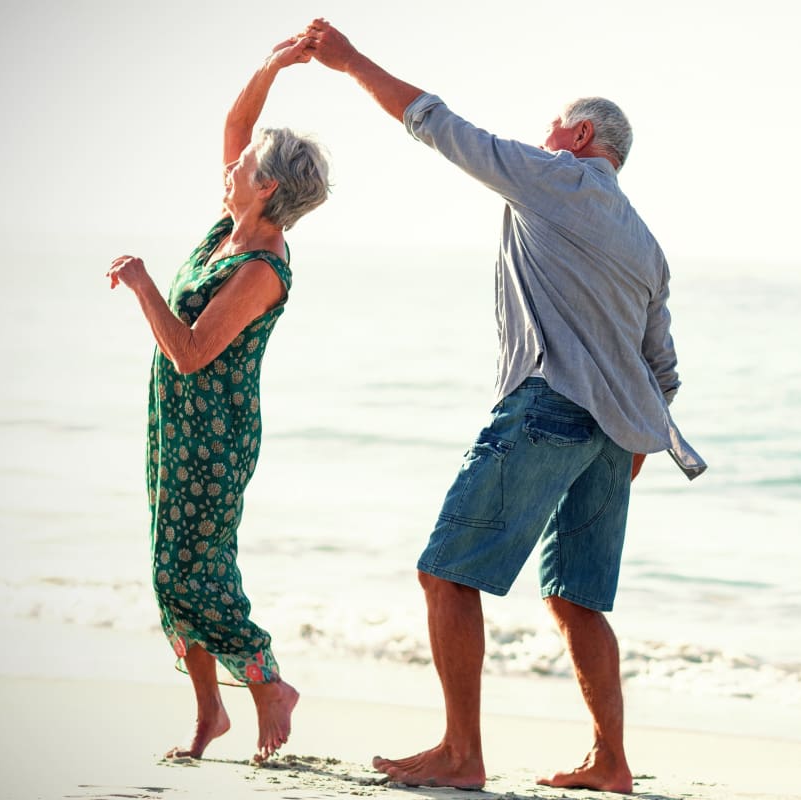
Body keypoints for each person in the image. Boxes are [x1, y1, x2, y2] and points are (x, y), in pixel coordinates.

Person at [303, 18, 705, 794]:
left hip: (548, 406)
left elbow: (438, 125)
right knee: (575, 597)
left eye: (552, 125)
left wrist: (349, 60)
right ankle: (611, 762)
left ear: (580, 134)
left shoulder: (555, 176)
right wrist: (628, 449)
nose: (542, 135)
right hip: (613, 438)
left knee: (445, 574)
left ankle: (461, 753)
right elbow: (664, 367)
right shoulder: (646, 242)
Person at [106, 35, 329, 763]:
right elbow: (237, 130)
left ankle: (267, 681)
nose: (230, 164)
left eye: (244, 165)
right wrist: (272, 66)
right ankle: (210, 715)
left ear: (266, 187)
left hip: (214, 432)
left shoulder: (264, 264)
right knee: (170, 566)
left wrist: (142, 285)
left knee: (188, 571)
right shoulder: (228, 229)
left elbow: (193, 352)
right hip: (174, 422)